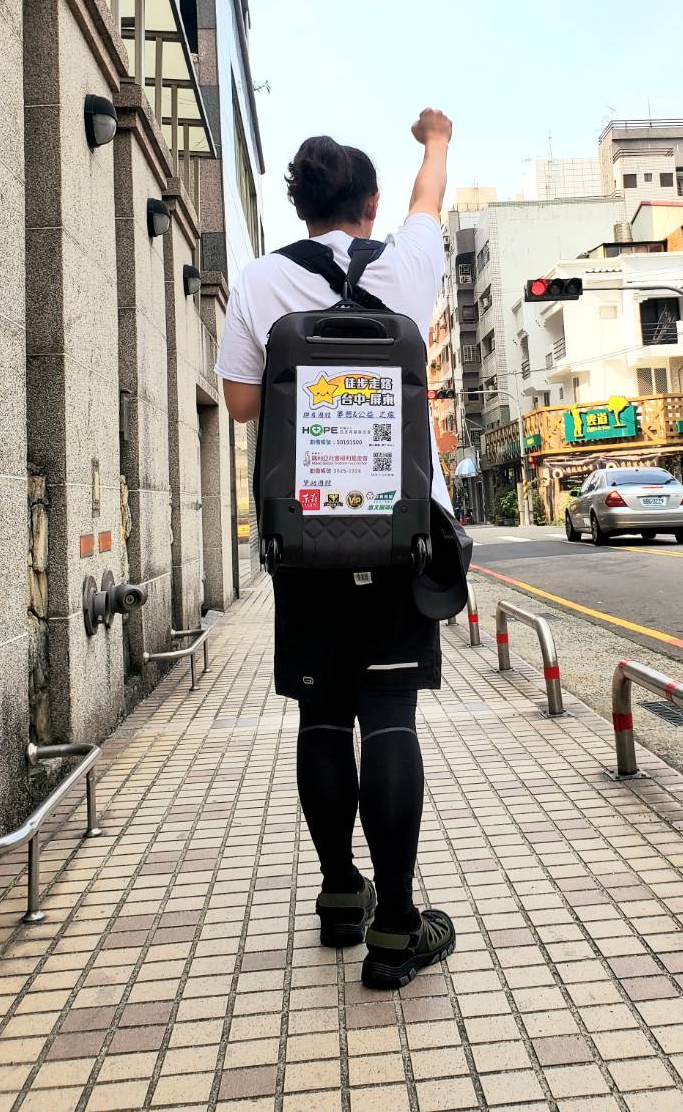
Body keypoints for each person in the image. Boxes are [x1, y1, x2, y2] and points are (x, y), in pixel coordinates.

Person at [215, 108, 456, 991]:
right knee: (389, 712)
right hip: (401, 533)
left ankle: (340, 894)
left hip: (306, 536)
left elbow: (241, 403)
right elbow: (431, 200)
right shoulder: (405, 263)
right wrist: (436, 139)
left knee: (321, 716)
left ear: (303, 207)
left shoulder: (260, 280)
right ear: (370, 204)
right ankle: (397, 929)